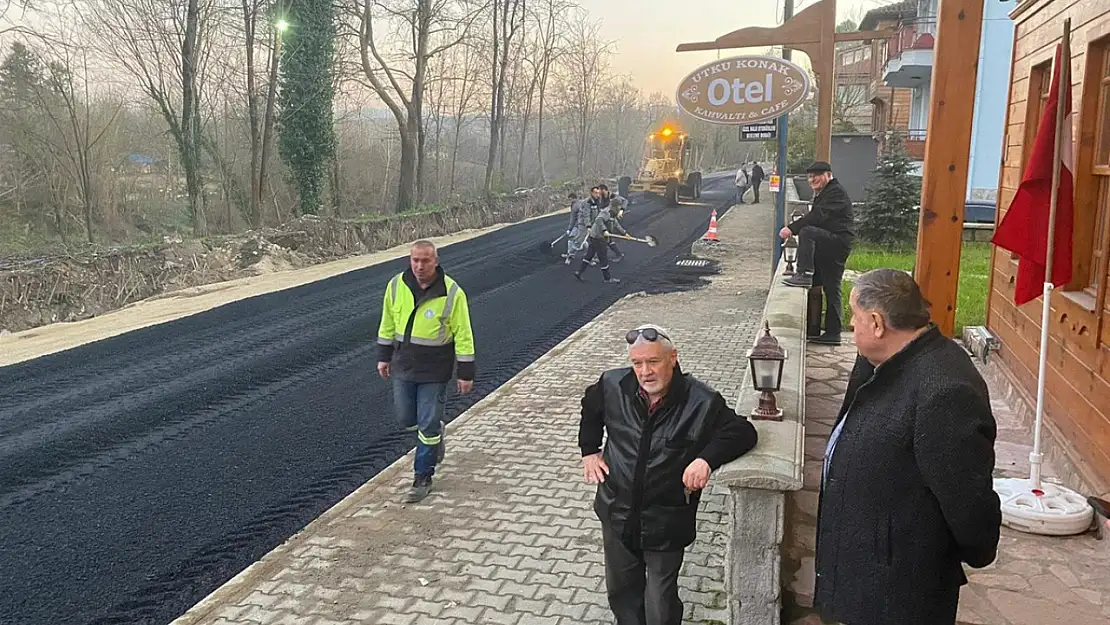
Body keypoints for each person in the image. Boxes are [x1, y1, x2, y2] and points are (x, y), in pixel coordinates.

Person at [815, 269, 1001, 625]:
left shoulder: (944, 390)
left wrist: (969, 551)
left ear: (876, 322)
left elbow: (968, 503)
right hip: (867, 579)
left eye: (854, 317)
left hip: (899, 593)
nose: (851, 326)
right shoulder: (882, 362)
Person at [579, 324, 758, 625]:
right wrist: (588, 450)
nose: (645, 371)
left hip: (666, 519)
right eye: (637, 363)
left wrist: (705, 460)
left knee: (660, 602)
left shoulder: (701, 401)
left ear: (673, 358)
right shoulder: (612, 385)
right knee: (621, 591)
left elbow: (742, 432)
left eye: (653, 361)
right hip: (616, 510)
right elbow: (590, 409)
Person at [377, 240, 476, 503]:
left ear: (436, 261)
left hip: (435, 369)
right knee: (406, 418)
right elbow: (387, 322)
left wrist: (465, 372)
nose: (419, 266)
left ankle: (422, 477)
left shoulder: (452, 293)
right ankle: (436, 433)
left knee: (428, 424)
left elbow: (464, 334)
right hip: (403, 366)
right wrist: (383, 357)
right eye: (415, 260)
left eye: (425, 261)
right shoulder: (396, 285)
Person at [779, 161, 855, 346]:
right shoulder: (826, 193)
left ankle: (804, 274)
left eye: (817, 176)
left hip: (837, 243)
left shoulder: (835, 192)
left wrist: (792, 228)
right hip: (832, 244)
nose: (813, 180)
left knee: (807, 231)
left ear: (828, 175)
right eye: (810, 177)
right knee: (830, 287)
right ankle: (831, 333)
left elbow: (818, 217)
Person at [574, 198, 628, 284]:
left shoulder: (612, 214)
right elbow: (598, 220)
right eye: (619, 207)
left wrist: (625, 234)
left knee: (589, 255)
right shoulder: (606, 212)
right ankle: (607, 279)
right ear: (615, 206)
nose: (619, 209)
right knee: (603, 258)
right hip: (598, 237)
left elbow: (616, 224)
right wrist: (604, 230)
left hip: (594, 236)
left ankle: (579, 272)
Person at [566, 190, 591, 264]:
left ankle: (569, 255)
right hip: (586, 225)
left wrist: (569, 229)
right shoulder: (582, 202)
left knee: (571, 239)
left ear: (572, 198)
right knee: (583, 241)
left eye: (569, 199)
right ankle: (589, 254)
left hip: (578, 225)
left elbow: (573, 219)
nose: (569, 201)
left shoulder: (574, 206)